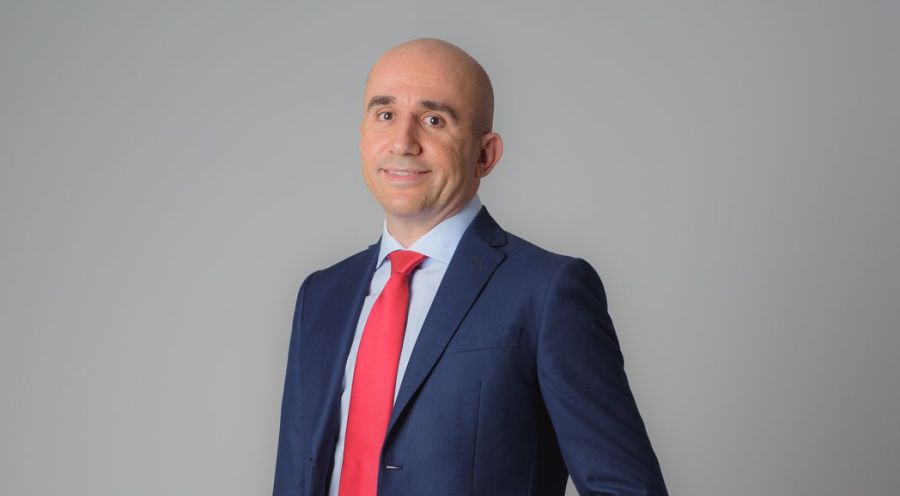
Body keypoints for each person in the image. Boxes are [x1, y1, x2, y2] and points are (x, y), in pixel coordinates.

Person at [273, 38, 667, 496]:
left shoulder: (546, 292)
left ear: (485, 155)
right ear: (363, 134)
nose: (403, 142)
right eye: (385, 115)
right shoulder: (321, 296)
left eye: (434, 120)